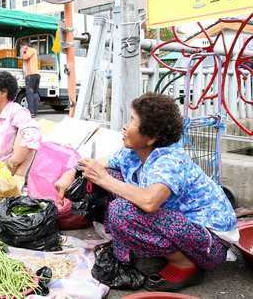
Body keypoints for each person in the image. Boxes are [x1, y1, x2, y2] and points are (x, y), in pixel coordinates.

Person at [54, 92, 238, 292]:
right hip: (180, 225)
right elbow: (99, 164)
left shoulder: (170, 160)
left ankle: (185, 264)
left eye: (132, 121)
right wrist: (72, 172)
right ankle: (154, 249)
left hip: (209, 244)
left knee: (120, 210)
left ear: (150, 137)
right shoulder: (133, 153)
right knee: (108, 176)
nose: (124, 126)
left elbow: (150, 202)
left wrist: (103, 179)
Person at [20, 40, 40, 118]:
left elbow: (25, 57)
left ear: (24, 46)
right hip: (36, 74)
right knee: (34, 94)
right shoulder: (31, 51)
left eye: (21, 47)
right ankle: (34, 112)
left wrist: (22, 51)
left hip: (31, 74)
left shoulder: (30, 50)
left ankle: (31, 112)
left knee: (30, 93)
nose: (21, 49)